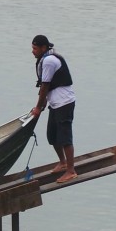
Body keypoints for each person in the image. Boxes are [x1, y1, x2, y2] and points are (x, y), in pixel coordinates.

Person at [29, 34, 78, 183]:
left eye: (35, 48)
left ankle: (71, 171)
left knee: (65, 139)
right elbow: (45, 87)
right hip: (55, 104)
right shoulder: (44, 59)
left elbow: (45, 86)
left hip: (64, 103)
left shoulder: (50, 60)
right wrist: (42, 104)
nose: (33, 51)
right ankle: (63, 163)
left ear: (44, 48)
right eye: (32, 48)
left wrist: (38, 107)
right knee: (52, 136)